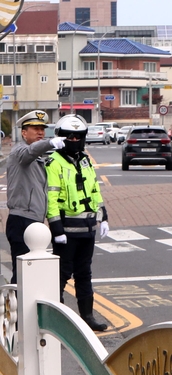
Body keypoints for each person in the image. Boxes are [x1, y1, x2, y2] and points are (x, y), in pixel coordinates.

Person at [45, 114, 109, 332]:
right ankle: (58, 321)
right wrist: (56, 229)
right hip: (66, 231)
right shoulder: (53, 162)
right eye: (69, 136)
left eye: (77, 137)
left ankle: (88, 317)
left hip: (88, 229)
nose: (73, 140)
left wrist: (103, 216)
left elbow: (94, 190)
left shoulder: (85, 160)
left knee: (84, 274)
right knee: (61, 275)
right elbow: (51, 198)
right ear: (61, 137)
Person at [6, 111, 65, 283]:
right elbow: (30, 152)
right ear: (24, 132)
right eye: (35, 128)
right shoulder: (20, 152)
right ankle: (17, 308)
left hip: (34, 221)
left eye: (42, 129)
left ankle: (24, 308)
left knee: (32, 272)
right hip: (22, 220)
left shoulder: (38, 157)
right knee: (23, 273)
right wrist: (49, 143)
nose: (40, 132)